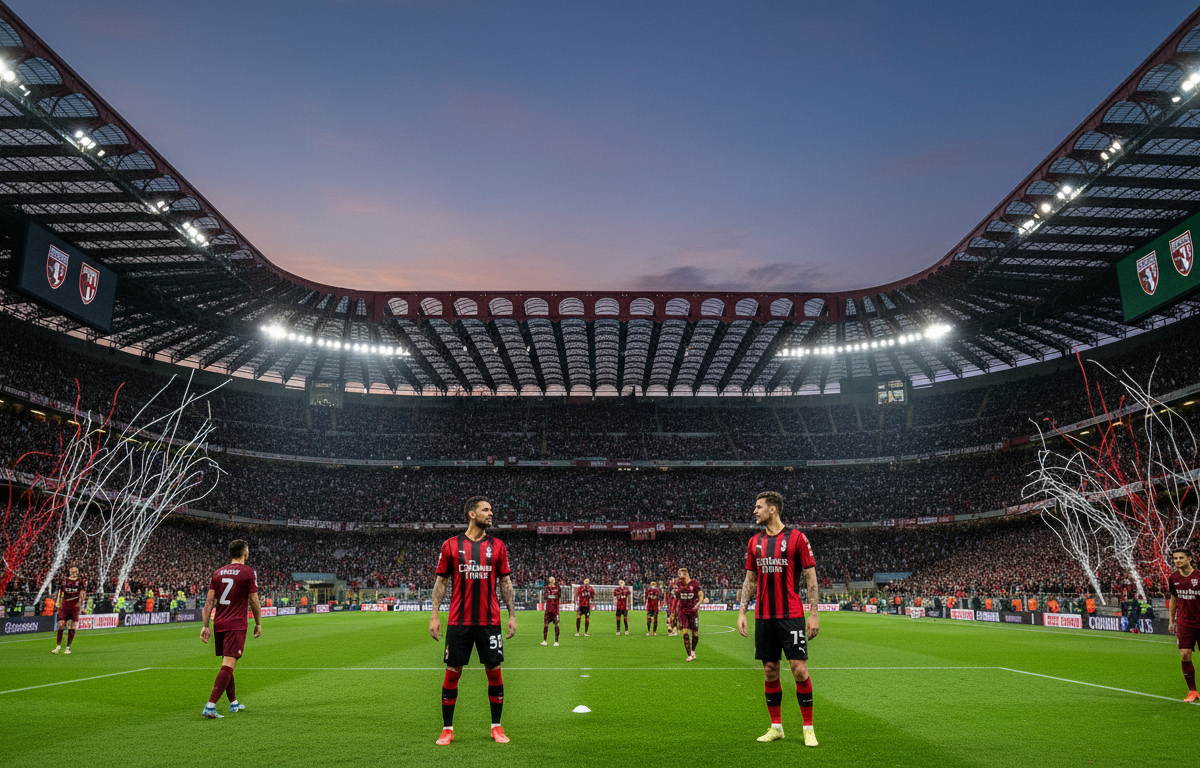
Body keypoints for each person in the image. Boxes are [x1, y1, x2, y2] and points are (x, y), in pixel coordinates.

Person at [429, 496, 517, 745]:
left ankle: (497, 726)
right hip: (459, 620)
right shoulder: (450, 545)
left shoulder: (498, 546)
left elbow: (505, 582)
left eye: (491, 509)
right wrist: (434, 615)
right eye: (486, 510)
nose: (491, 513)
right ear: (471, 514)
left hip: (490, 620)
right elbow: (441, 582)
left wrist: (511, 615)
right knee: (453, 672)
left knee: (494, 671)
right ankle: (447, 728)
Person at [737, 491, 819, 747]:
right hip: (764, 616)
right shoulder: (754, 542)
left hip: (791, 615)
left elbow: (810, 577)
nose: (755, 511)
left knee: (799, 670)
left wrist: (814, 613)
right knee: (770, 671)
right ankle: (776, 727)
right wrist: (742, 611)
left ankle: (808, 728)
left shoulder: (797, 538)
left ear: (773, 509)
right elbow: (750, 580)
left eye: (758, 507)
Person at [200, 539, 261, 718]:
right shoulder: (249, 572)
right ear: (245, 552)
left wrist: (205, 626)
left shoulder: (218, 573)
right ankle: (210, 706)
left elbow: (209, 601)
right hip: (236, 624)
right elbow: (254, 601)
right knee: (228, 664)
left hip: (219, 623)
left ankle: (233, 703)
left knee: (227, 662)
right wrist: (258, 623)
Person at [1167, 548, 1200, 702]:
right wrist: (1171, 620)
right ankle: (1192, 691)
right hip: (1185, 622)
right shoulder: (1173, 578)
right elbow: (1174, 599)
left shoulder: (1199, 577)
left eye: (1181, 558)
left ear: (1190, 559)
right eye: (1175, 558)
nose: (1177, 561)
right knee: (1185, 655)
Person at [51, 566, 86, 655]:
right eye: (71, 570)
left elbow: (82, 592)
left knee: (72, 626)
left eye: (75, 571)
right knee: (61, 625)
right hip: (65, 605)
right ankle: (58, 646)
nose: (73, 572)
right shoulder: (64, 581)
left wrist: (81, 602)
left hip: (74, 606)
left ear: (77, 572)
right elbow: (60, 591)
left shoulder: (80, 581)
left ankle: (68, 647)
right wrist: (58, 601)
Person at [675, 568, 704, 662]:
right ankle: (689, 655)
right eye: (679, 574)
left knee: (695, 634)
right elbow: (677, 597)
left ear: (686, 574)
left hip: (693, 612)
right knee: (685, 634)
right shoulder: (678, 584)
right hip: (682, 612)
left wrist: (700, 602)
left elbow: (700, 593)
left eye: (681, 574)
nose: (680, 576)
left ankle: (693, 650)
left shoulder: (694, 583)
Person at [541, 577, 561, 646]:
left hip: (555, 610)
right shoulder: (546, 588)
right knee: (545, 625)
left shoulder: (558, 588)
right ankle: (544, 641)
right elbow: (545, 597)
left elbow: (559, 597)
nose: (552, 581)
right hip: (548, 610)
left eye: (553, 579)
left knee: (556, 625)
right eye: (551, 579)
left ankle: (556, 641)